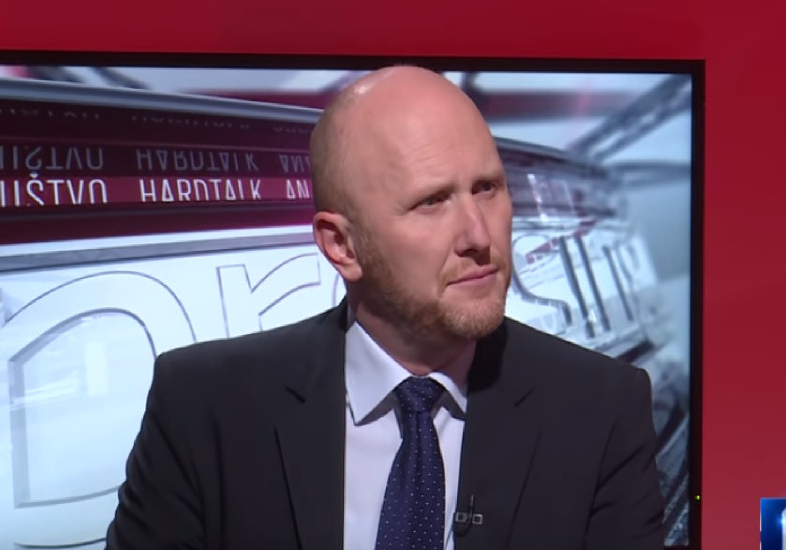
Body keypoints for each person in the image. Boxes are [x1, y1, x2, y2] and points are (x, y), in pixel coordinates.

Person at [104, 65, 665, 550]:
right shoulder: (204, 408)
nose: (479, 235)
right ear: (342, 246)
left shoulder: (601, 410)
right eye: (432, 201)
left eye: (487, 189)